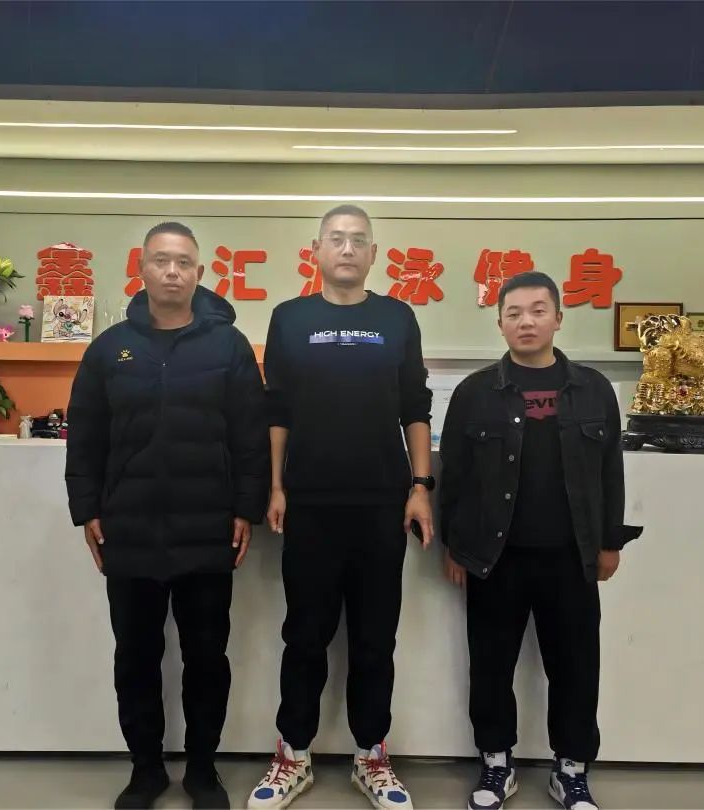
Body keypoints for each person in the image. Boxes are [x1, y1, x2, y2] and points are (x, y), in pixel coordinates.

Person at [65, 222, 269, 810]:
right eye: (161, 260)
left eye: (183, 262)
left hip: (207, 528)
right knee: (135, 657)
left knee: (207, 658)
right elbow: (86, 436)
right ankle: (146, 770)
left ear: (200, 273)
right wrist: (87, 509)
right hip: (129, 529)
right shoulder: (110, 349)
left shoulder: (228, 347)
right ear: (142, 270)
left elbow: (250, 436)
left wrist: (246, 509)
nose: (172, 271)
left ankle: (203, 771)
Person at [247, 205, 433, 810]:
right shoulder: (290, 317)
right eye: (336, 239)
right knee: (304, 635)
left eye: (358, 240)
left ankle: (371, 757)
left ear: (373, 254)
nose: (347, 249)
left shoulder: (397, 318)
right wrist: (276, 486)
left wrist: (421, 486)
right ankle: (292, 755)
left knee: (375, 639)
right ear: (317, 250)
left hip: (381, 504)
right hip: (310, 503)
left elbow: (415, 406)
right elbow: (277, 408)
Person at [438, 271, 642, 810]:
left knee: (575, 668)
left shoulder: (594, 389)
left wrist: (609, 542)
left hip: (571, 557)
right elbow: (454, 477)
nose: (525, 321)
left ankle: (571, 770)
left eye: (537, 310)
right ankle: (495, 765)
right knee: (490, 667)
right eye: (514, 313)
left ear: (557, 318)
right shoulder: (475, 392)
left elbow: (611, 473)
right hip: (494, 558)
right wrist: (455, 548)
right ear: (500, 322)